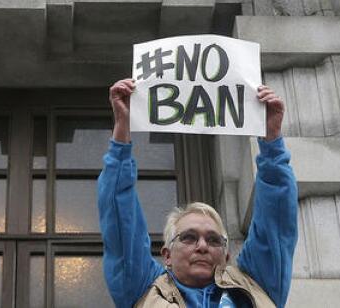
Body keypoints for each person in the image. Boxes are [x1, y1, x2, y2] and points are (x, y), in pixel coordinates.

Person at [98, 78, 298, 308]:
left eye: (213, 240)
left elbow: (277, 219)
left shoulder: (255, 284)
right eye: (189, 237)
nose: (202, 246)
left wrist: (272, 139)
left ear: (226, 256)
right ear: (167, 255)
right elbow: (119, 219)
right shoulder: (143, 288)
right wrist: (122, 129)